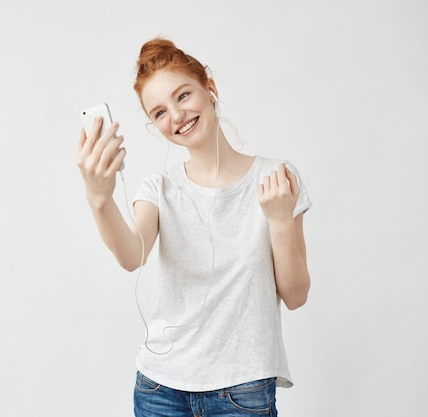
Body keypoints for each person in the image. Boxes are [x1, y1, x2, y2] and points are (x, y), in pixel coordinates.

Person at [77, 37, 312, 417]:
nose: (176, 116)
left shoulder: (276, 178)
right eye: (159, 112)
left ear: (211, 89)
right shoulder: (159, 188)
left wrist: (280, 220)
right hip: (160, 390)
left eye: (183, 96)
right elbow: (131, 255)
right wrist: (99, 199)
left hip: (244, 389)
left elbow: (297, 294)